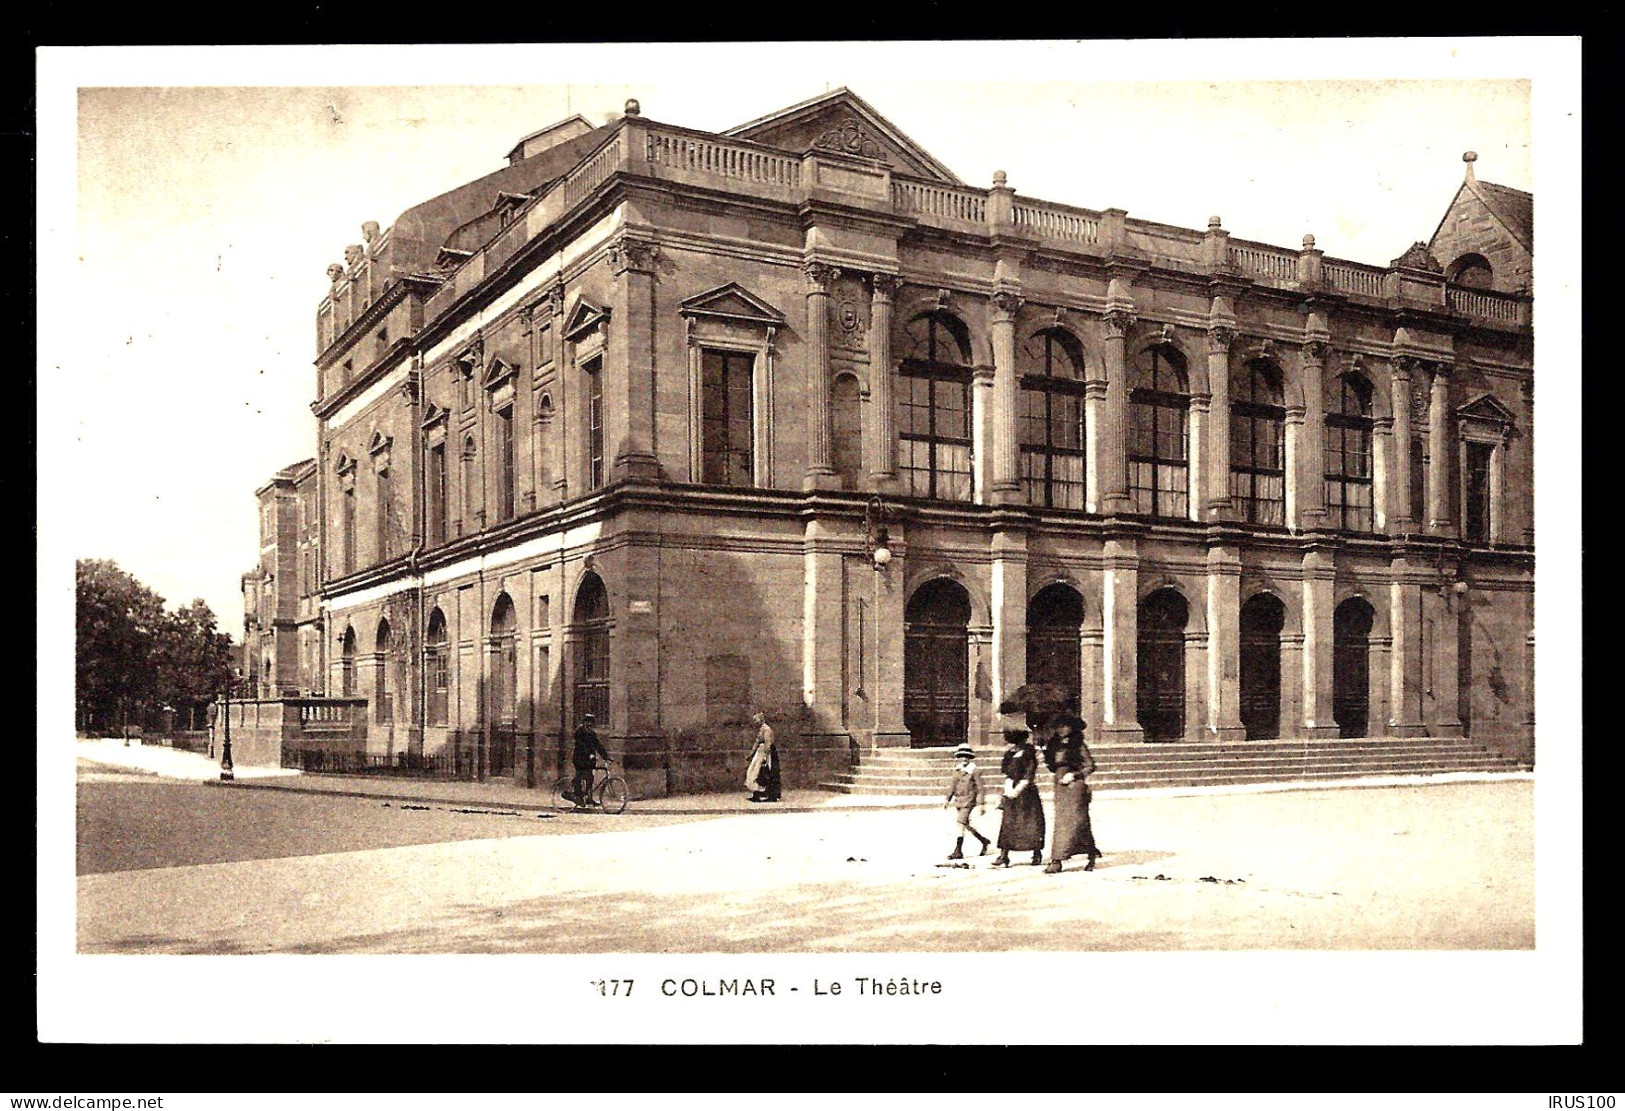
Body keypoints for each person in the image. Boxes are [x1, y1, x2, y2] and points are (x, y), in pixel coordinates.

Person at [1040, 700, 1101, 873]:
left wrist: (1074, 775)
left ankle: (1057, 861)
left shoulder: (1078, 745)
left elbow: (1090, 766)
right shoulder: (1054, 746)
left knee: (1075, 822)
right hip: (1060, 787)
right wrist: (1045, 755)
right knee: (1065, 822)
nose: (1061, 729)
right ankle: (1089, 853)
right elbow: (1053, 767)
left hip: (1075, 787)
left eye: (1064, 726)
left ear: (1072, 727)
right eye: (1058, 727)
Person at [992, 727, 1046, 867]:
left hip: (1027, 793)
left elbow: (1029, 773)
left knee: (1031, 823)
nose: (1014, 745)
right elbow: (1006, 773)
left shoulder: (1029, 754)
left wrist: (1019, 789)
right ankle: (1004, 855)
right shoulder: (1009, 754)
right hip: (1011, 790)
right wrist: (1007, 791)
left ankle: (1036, 853)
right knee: (1008, 823)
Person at [943, 744, 990, 859]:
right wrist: (947, 799)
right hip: (959, 800)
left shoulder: (974, 771)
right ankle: (983, 840)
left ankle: (958, 851)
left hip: (969, 800)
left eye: (966, 757)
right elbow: (953, 785)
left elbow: (980, 788)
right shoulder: (957, 770)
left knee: (960, 824)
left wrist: (981, 804)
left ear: (970, 758)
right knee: (966, 825)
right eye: (961, 756)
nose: (964, 759)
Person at [571, 713, 610, 809]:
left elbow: (597, 745)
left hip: (589, 759)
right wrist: (589, 754)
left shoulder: (592, 733)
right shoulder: (579, 732)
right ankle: (577, 795)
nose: (590, 724)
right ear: (584, 722)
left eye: (591, 723)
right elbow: (580, 745)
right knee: (581, 775)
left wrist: (606, 756)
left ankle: (589, 798)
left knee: (590, 778)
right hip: (579, 758)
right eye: (588, 722)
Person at [744, 712, 779, 803]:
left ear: (761, 719)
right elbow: (756, 742)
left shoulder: (767, 729)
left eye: (756, 720)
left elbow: (768, 744)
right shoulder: (761, 730)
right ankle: (756, 794)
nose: (755, 722)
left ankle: (770, 795)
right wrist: (751, 754)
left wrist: (766, 758)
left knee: (765, 773)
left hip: (766, 753)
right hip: (760, 753)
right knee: (753, 773)